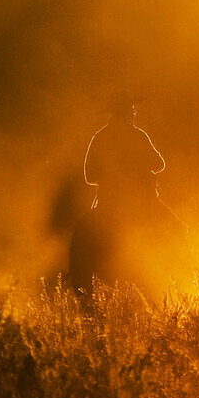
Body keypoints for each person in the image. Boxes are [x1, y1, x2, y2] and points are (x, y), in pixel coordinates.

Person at [69, 90, 186, 294]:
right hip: (143, 202)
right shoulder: (139, 136)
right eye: (129, 109)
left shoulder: (100, 137)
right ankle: (182, 282)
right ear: (118, 112)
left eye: (132, 109)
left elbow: (89, 176)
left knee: (82, 233)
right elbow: (159, 164)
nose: (133, 113)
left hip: (107, 203)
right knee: (180, 231)